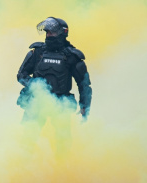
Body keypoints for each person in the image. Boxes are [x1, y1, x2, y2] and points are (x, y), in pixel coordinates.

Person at [16, 17, 92, 155]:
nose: (48, 35)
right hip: (37, 101)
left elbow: (84, 83)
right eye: (47, 32)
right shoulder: (38, 52)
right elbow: (21, 75)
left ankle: (61, 171)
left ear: (62, 33)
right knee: (26, 139)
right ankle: (21, 169)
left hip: (60, 103)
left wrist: (84, 105)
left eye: (52, 32)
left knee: (63, 143)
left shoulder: (71, 56)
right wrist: (34, 85)